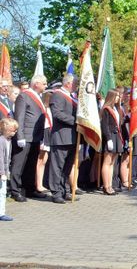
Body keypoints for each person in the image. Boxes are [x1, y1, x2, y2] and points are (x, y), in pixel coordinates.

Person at [11, 74, 48, 202]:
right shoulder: (24, 96)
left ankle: (29, 189)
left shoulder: (38, 97)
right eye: (44, 83)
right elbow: (19, 117)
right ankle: (15, 190)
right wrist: (19, 136)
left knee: (31, 165)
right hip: (25, 137)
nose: (46, 86)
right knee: (19, 164)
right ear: (36, 83)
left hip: (35, 137)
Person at [48, 74, 78, 203]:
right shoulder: (58, 95)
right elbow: (57, 113)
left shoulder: (72, 97)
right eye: (75, 83)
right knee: (57, 166)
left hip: (72, 136)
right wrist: (76, 120)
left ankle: (63, 190)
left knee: (67, 167)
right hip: (61, 136)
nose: (76, 86)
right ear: (68, 83)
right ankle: (56, 193)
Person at [100, 89, 123, 195]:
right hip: (110, 136)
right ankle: (106, 186)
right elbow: (104, 125)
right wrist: (108, 138)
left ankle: (110, 185)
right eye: (116, 96)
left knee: (112, 163)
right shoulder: (106, 109)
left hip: (116, 136)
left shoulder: (115, 109)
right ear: (111, 97)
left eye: (119, 96)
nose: (118, 98)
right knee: (107, 162)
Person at [0, 118, 18, 221]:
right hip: (1, 172)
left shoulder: (9, 141)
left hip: (4, 171)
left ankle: (1, 212)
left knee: (2, 193)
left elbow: (8, 158)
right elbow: (1, 158)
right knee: (1, 193)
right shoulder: (1, 141)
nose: (15, 133)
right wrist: (2, 172)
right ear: (6, 130)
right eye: (13, 130)